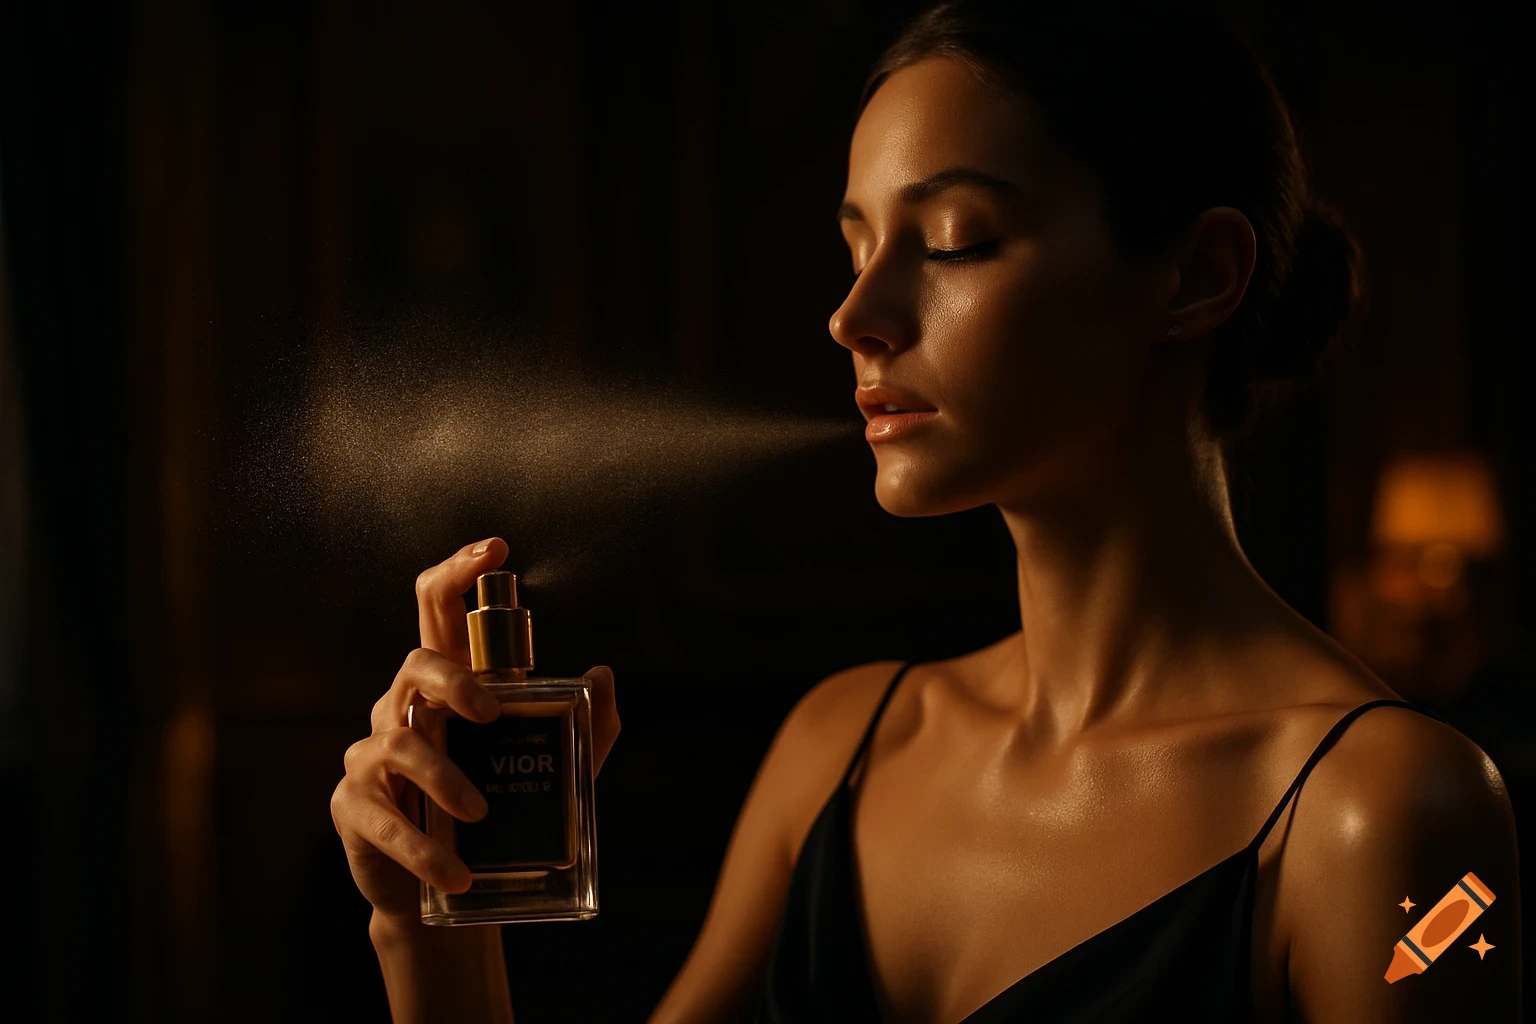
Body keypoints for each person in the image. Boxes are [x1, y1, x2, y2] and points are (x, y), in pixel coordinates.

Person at [330, 1, 1522, 1020]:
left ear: (1197, 275)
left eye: (953, 241)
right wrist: (435, 934)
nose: (857, 316)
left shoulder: (1395, 814)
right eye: (857, 245)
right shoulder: (841, 748)